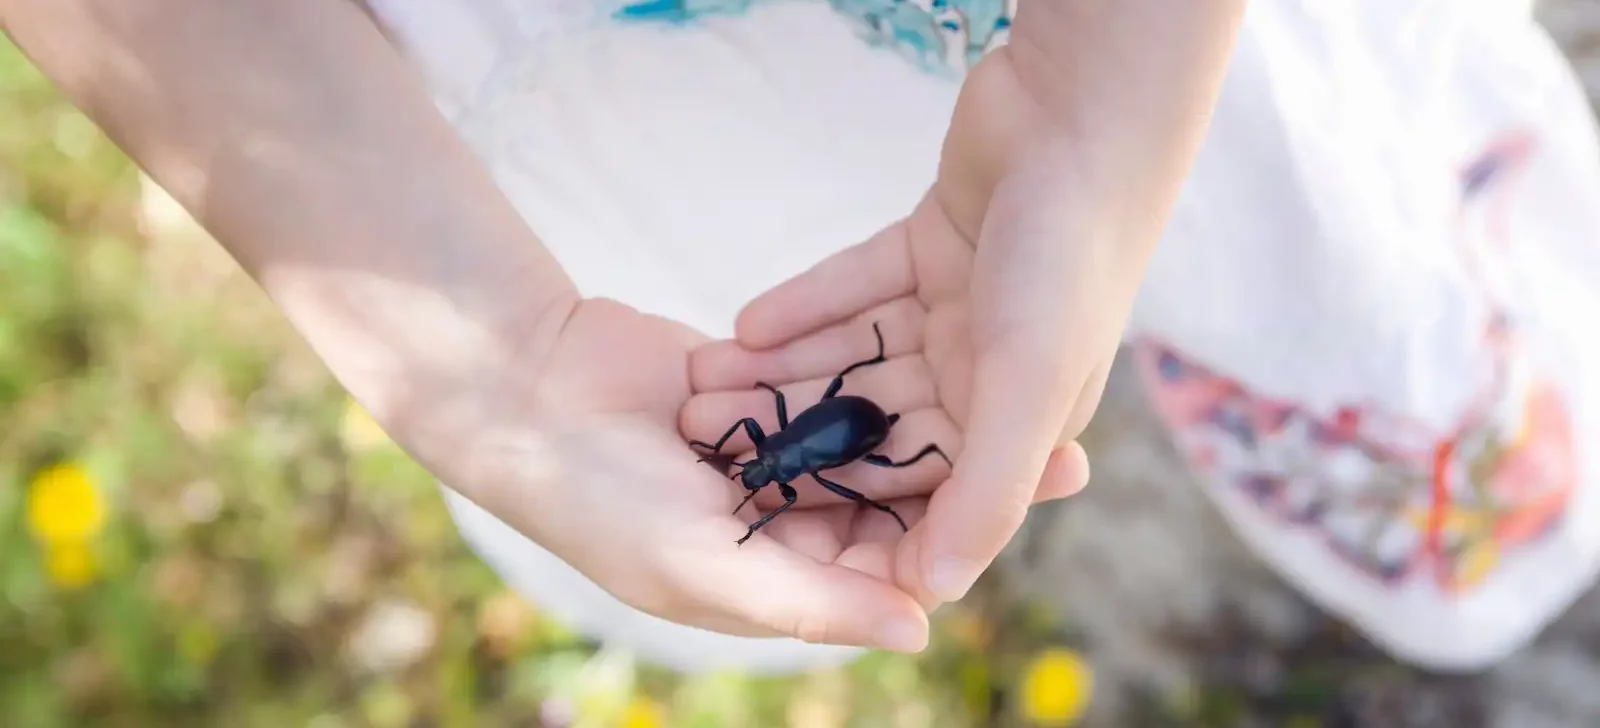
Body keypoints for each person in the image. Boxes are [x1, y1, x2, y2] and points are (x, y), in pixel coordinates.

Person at [5, 0, 1597, 678]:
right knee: (989, 345)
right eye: (761, 462)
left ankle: (1423, 437)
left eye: (757, 462)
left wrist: (1100, 109)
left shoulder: (789, 438)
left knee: (1295, 236)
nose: (763, 458)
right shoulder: (789, 429)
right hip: (611, 132)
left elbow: (822, 431)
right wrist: (480, 349)